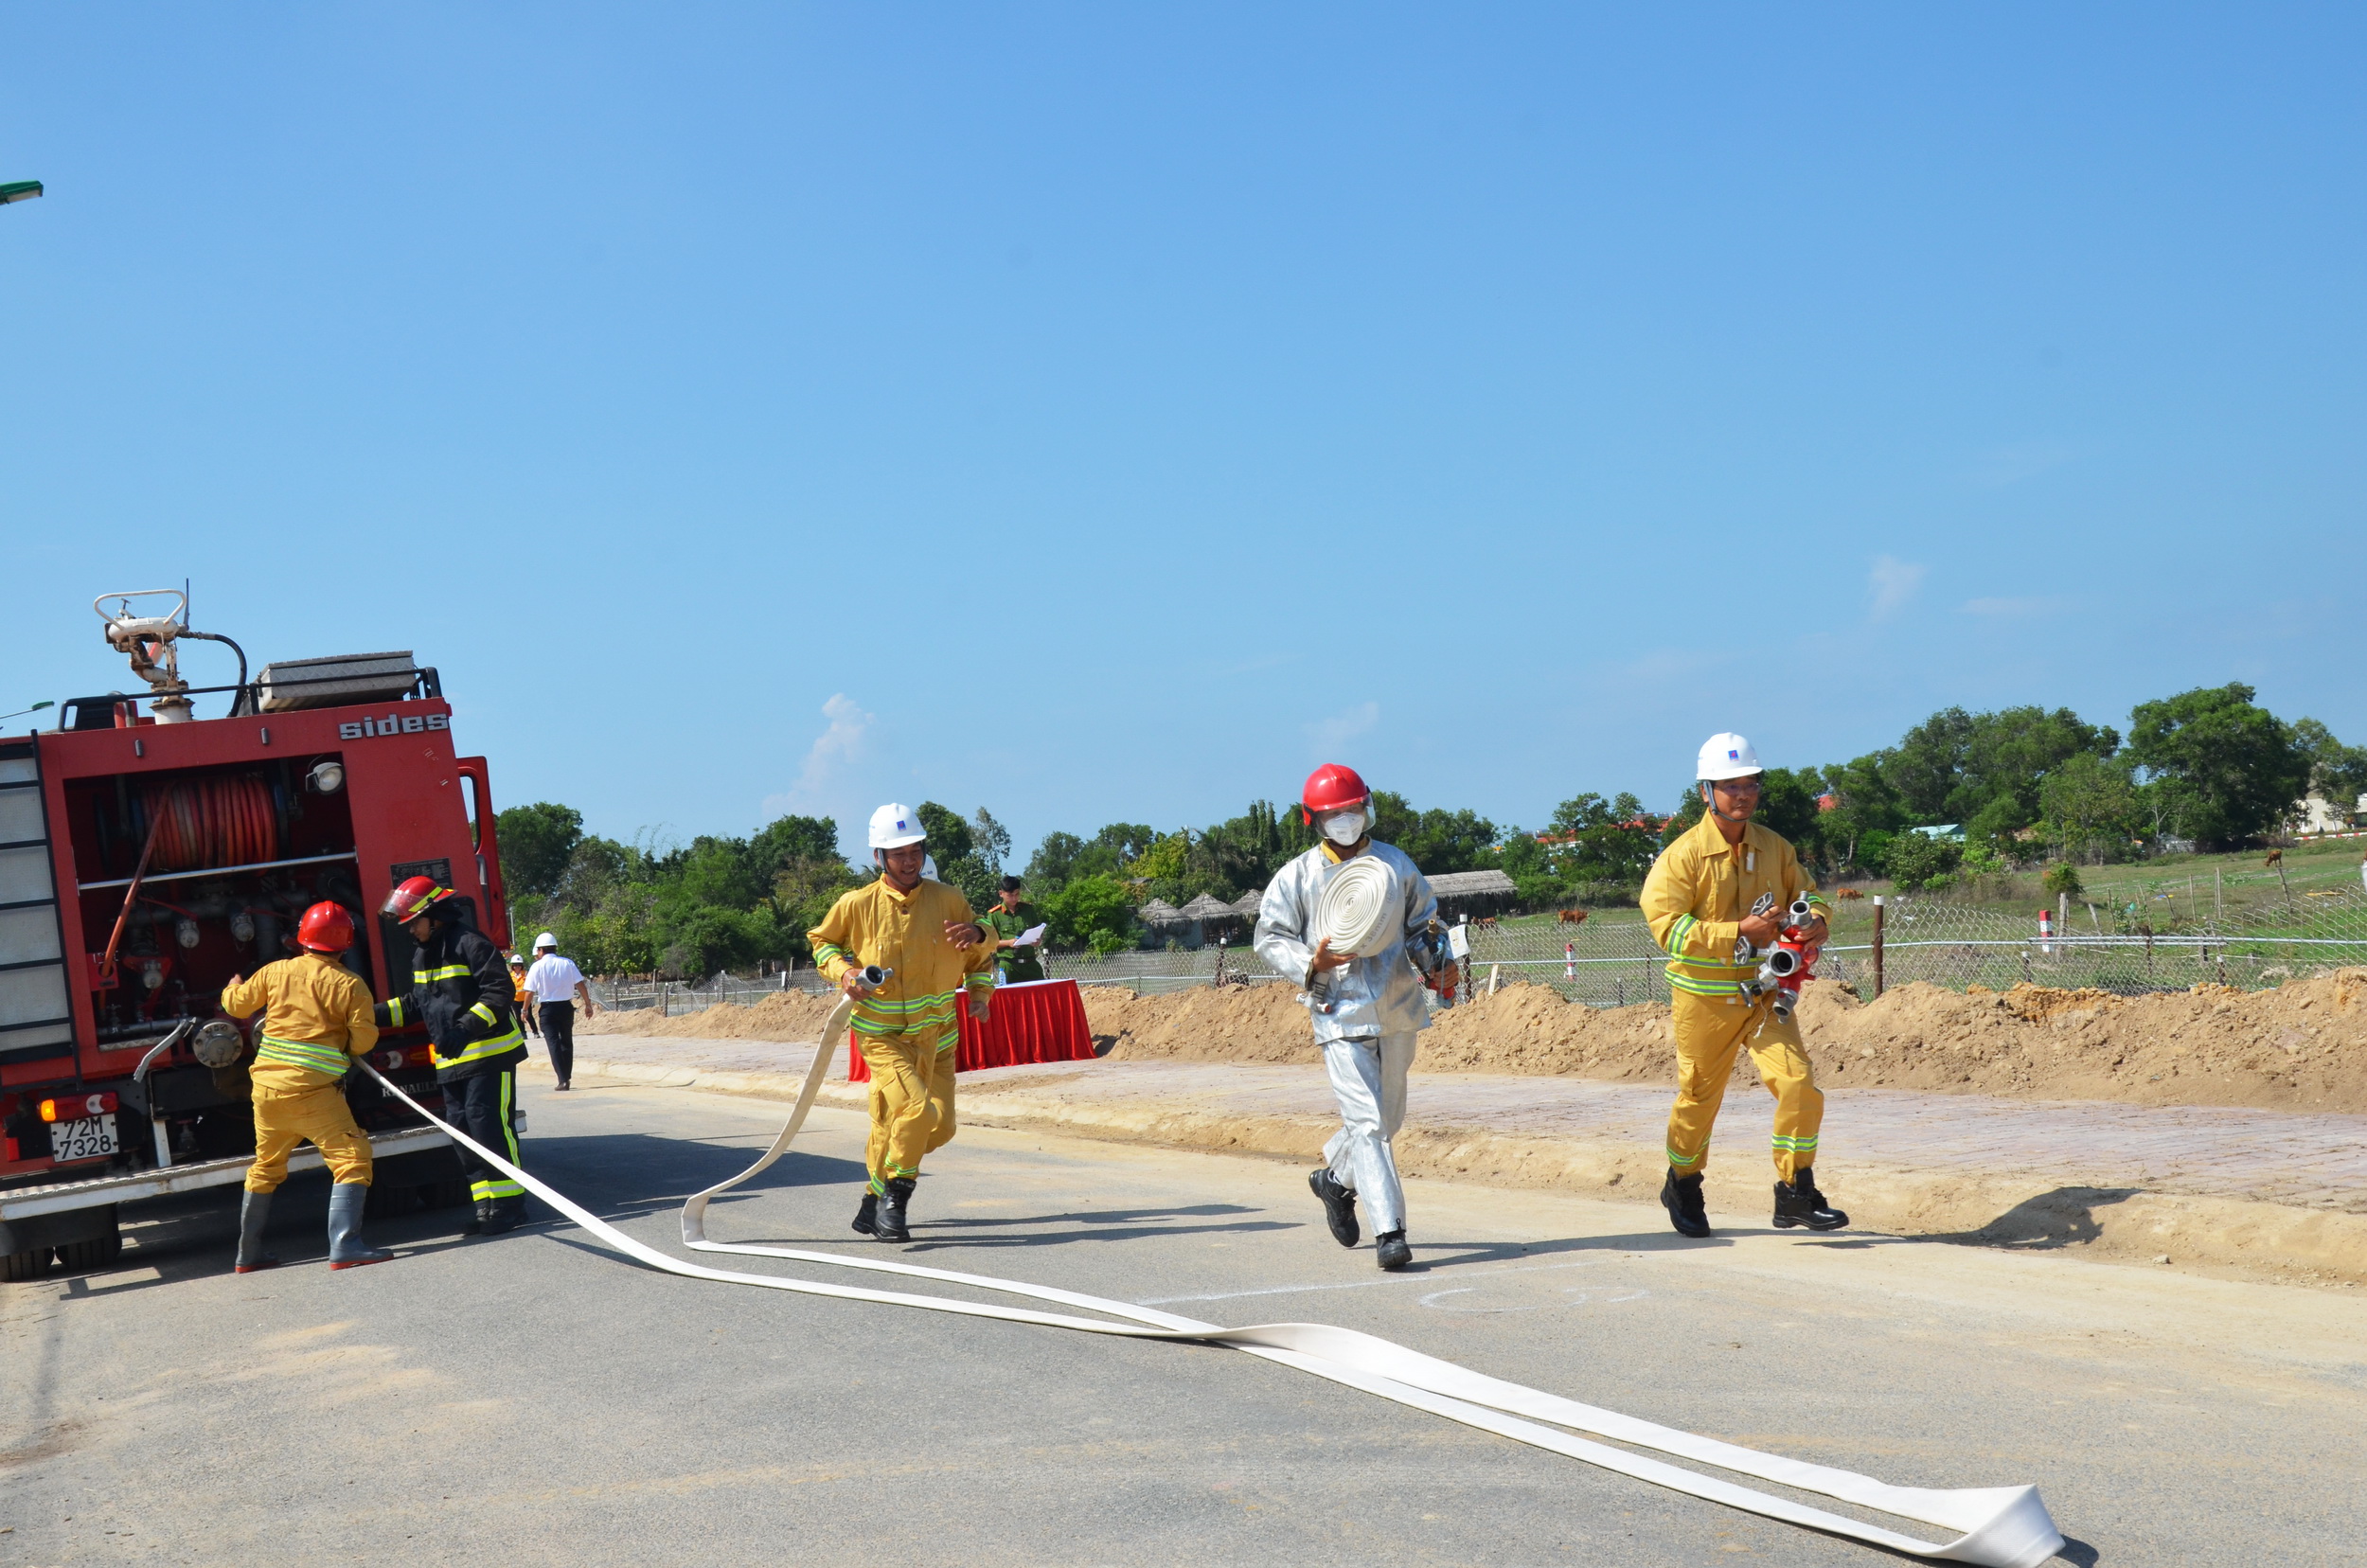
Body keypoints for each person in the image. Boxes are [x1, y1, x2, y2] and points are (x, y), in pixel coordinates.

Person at [1641, 733, 1848, 1239]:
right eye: (1730, 786)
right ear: (1705, 792)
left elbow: (1809, 893)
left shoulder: (1775, 847)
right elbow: (1669, 927)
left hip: (1766, 995)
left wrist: (1817, 918)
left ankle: (1795, 1193)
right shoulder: (1682, 856)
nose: (1743, 794)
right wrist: (1738, 932)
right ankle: (1683, 1184)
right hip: (1704, 1001)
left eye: (1750, 784)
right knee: (1698, 1098)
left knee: (1798, 1083)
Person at [1255, 763, 1456, 1272]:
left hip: (1397, 1005)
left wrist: (1440, 963)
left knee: (1389, 1119)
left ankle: (1334, 1180)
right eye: (1334, 815)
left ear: (1366, 809)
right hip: (1337, 1010)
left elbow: (1424, 924)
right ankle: (1391, 1231)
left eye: (1352, 811)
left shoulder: (1394, 865)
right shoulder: (1297, 876)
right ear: (1313, 820)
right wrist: (1310, 962)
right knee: (1368, 1124)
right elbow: (1270, 936)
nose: (1345, 822)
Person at [807, 803, 995, 1244]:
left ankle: (872, 1196)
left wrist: (981, 991)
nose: (910, 861)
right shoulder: (856, 905)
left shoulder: (948, 899)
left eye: (915, 851)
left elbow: (980, 953)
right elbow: (822, 942)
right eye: (898, 854)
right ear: (879, 857)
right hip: (883, 1036)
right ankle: (896, 1199)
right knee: (915, 1111)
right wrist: (846, 973)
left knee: (940, 1126)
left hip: (939, 1036)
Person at [217, 900, 393, 1272]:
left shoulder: (275, 971)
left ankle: (247, 1255)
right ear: (346, 945)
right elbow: (362, 1044)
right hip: (314, 1095)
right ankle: (345, 1246)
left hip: (266, 1092)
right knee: (352, 1159)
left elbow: (237, 1005)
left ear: (301, 940)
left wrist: (232, 986)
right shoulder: (350, 985)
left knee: (266, 1167)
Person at [374, 877, 531, 1235]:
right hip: (452, 1065)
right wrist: (373, 1013)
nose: (411, 930)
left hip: (489, 1056)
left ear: (435, 916)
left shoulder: (470, 944)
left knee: (491, 1129)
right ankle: (486, 1208)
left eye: (414, 922)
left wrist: (465, 1028)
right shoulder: (422, 954)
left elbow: (499, 990)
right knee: (464, 1136)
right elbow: (419, 1003)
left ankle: (511, 1205)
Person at [523, 932, 596, 1092]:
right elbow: (580, 984)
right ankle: (566, 1077)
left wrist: (525, 1009)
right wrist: (588, 1004)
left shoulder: (537, 966)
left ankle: (562, 1079)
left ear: (540, 950)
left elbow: (529, 992)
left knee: (553, 1043)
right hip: (566, 1007)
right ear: (554, 948)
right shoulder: (568, 963)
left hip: (548, 1009)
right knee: (566, 1042)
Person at [980, 876, 1046, 984]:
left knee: (1041, 995)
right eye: (1010, 895)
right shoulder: (994, 915)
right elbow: (989, 942)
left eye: (1017, 894)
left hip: (1031, 964)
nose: (1014, 898)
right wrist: (1008, 943)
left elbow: (1039, 930)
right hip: (1009, 966)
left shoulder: (1028, 910)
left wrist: (1038, 940)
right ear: (1001, 893)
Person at [507, 953, 539, 1040]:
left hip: (525, 999)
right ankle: (523, 1033)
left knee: (529, 1016)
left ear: (521, 966)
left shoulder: (526, 974)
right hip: (515, 1000)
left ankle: (535, 1032)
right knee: (519, 1017)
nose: (517, 967)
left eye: (519, 965)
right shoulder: (510, 976)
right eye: (515, 965)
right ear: (512, 966)